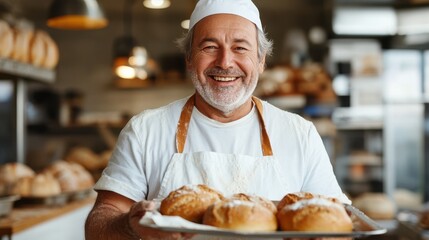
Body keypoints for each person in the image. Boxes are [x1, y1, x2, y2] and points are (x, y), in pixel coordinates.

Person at [85, 0, 350, 239]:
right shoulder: (145, 131)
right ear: (189, 59)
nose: (225, 62)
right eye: (210, 47)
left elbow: (340, 224)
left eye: (240, 48)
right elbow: (98, 225)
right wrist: (129, 227)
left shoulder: (299, 133)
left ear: (261, 61)